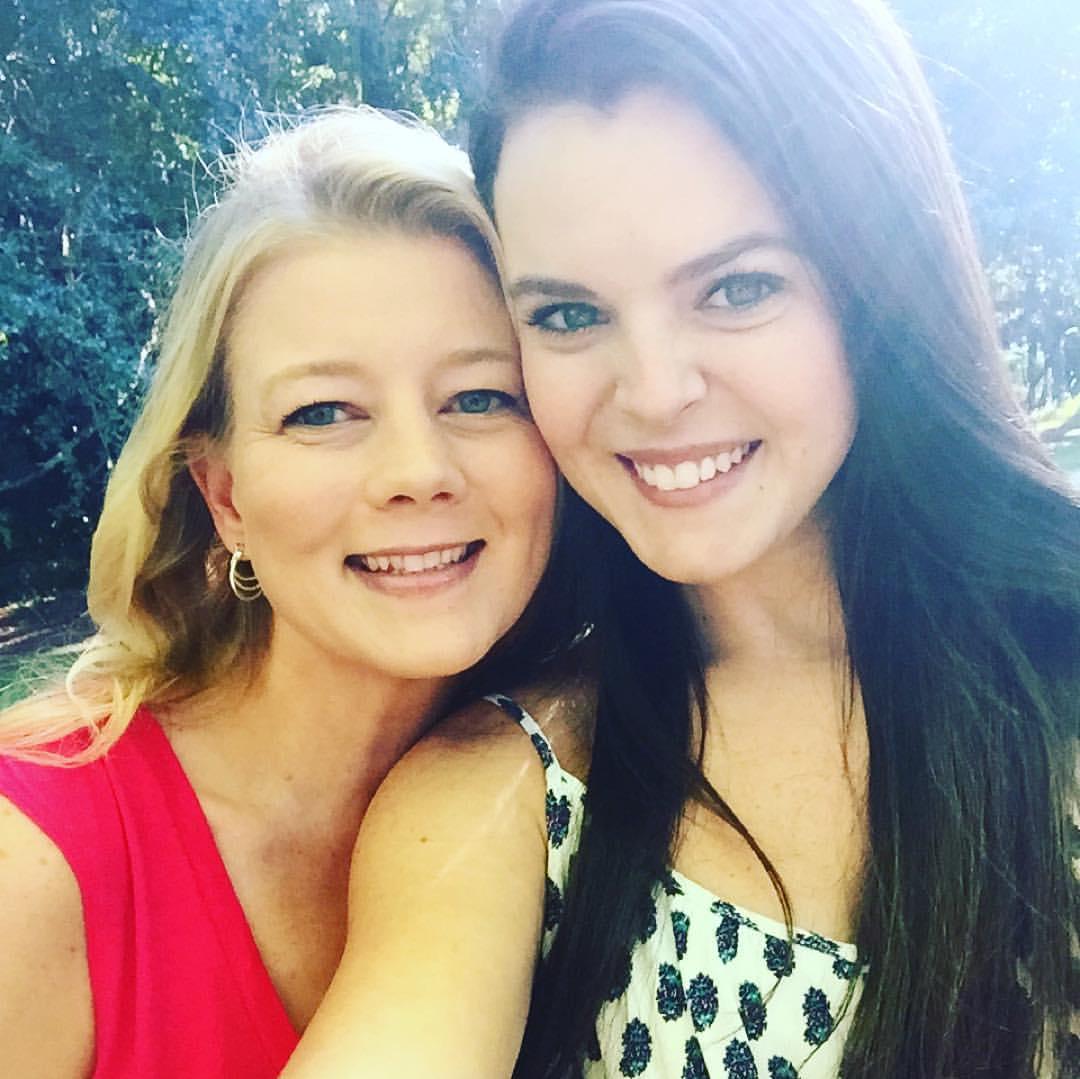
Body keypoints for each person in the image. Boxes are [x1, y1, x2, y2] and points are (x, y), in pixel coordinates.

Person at [283, 2, 1079, 1077]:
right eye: (569, 315)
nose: (653, 392)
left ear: (879, 288)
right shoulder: (506, 797)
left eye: (737, 288)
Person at [0, 106, 575, 1078]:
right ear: (223, 495)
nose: (419, 470)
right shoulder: (35, 860)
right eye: (323, 412)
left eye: (479, 396)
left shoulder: (592, 786)